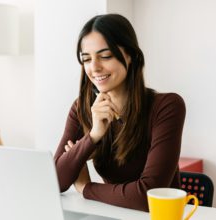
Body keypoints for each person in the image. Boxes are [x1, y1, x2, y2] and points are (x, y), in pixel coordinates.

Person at [54, 13, 186, 211]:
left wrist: (85, 188)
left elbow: (148, 196)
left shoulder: (167, 106)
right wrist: (93, 136)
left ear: (130, 55)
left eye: (105, 56)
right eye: (87, 59)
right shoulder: (81, 108)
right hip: (114, 215)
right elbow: (55, 181)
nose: (95, 67)